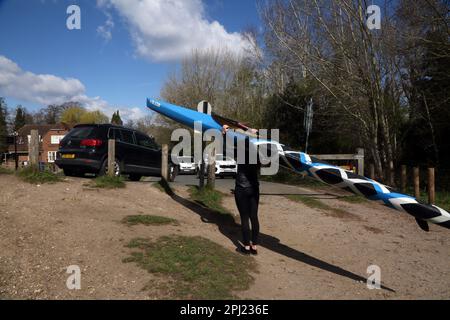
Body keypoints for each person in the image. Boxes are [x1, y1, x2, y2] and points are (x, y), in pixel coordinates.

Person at [222, 124, 260, 255]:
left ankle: (246, 247)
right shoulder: (258, 151)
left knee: (244, 218)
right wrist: (257, 133)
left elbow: (226, 149)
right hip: (254, 188)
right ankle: (254, 246)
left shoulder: (240, 150)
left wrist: (225, 134)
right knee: (254, 217)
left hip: (241, 188)